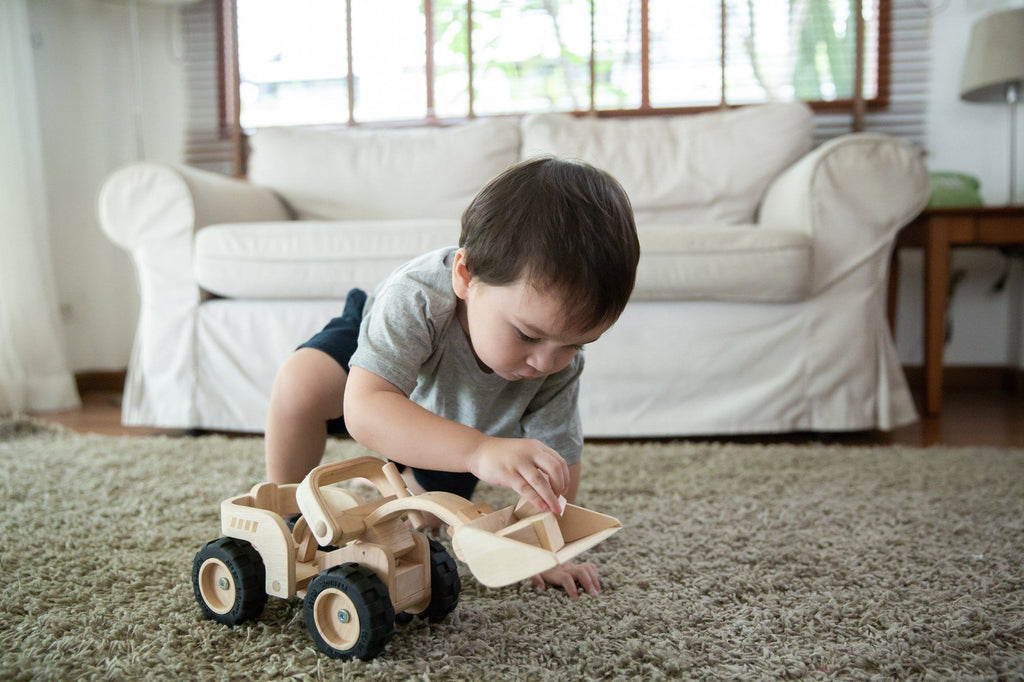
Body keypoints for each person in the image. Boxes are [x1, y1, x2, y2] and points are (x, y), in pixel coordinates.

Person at [265, 156, 639, 599]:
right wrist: (479, 451)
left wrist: (550, 551)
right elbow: (364, 410)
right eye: (527, 334)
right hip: (381, 365)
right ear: (465, 275)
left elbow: (557, 463)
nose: (545, 362)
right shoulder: (416, 297)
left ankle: (394, 483)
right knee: (300, 384)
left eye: (575, 344)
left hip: (462, 416)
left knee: (426, 516)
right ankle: (285, 510)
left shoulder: (556, 363)